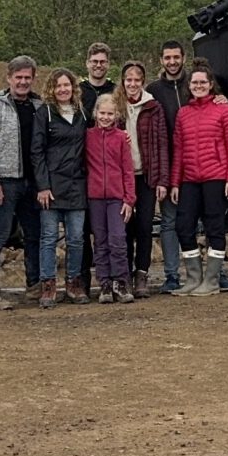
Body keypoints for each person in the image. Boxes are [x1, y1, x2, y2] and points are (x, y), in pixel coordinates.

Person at [0, 56, 42, 309]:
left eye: (27, 77)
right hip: (4, 183)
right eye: (19, 77)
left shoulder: (38, 106)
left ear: (33, 79)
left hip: (31, 184)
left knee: (33, 236)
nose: (23, 82)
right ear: (9, 78)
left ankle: (34, 286)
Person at [172, 64, 228, 296]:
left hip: (216, 177)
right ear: (189, 86)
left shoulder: (223, 110)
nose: (198, 86)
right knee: (183, 226)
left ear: (210, 84)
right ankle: (193, 278)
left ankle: (211, 280)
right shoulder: (183, 113)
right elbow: (178, 150)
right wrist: (175, 182)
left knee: (215, 228)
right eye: (194, 83)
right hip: (189, 179)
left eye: (203, 82)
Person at [31, 68, 90, 305]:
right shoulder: (44, 113)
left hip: (77, 185)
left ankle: (74, 284)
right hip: (51, 187)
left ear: (73, 88)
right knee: (48, 238)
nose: (63, 89)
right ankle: (48, 285)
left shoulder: (82, 114)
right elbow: (36, 152)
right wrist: (42, 186)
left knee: (76, 239)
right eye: (58, 86)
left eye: (67, 85)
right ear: (51, 90)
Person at [119, 61, 170, 288]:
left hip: (147, 175)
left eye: (136, 80)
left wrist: (162, 179)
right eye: (128, 80)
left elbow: (161, 144)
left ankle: (141, 273)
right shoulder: (116, 105)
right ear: (123, 82)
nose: (132, 84)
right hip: (122, 177)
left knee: (145, 226)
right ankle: (125, 273)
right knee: (125, 226)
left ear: (142, 82)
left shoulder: (152, 107)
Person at [146, 40, 190, 292]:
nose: (172, 62)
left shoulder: (195, 83)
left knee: (201, 219)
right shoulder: (153, 90)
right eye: (167, 58)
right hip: (166, 165)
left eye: (176, 57)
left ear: (183, 57)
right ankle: (172, 274)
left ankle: (210, 273)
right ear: (161, 60)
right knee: (169, 221)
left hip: (195, 164)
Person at [85, 91, 137, 303]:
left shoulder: (121, 138)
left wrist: (129, 199)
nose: (106, 117)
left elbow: (127, 170)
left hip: (117, 198)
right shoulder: (88, 137)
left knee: (118, 240)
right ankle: (104, 283)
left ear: (117, 115)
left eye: (110, 113)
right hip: (95, 198)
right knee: (101, 241)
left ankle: (121, 283)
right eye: (102, 113)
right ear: (95, 113)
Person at [73, 41, 114, 295]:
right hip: (81, 169)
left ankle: (116, 278)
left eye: (103, 62)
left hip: (109, 170)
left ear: (108, 65)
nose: (98, 65)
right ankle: (83, 280)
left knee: (113, 230)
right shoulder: (78, 91)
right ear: (87, 63)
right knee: (84, 229)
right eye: (94, 61)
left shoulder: (115, 90)